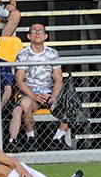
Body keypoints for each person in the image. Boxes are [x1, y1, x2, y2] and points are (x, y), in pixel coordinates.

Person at [9, 23, 69, 152]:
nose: (37, 33)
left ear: (46, 36)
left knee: (71, 103)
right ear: (29, 36)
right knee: (24, 105)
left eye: (40, 31)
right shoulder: (23, 54)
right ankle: (31, 138)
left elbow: (59, 78)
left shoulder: (53, 54)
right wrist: (35, 96)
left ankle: (58, 138)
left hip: (49, 93)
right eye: (34, 31)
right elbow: (19, 80)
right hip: (31, 94)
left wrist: (53, 95)